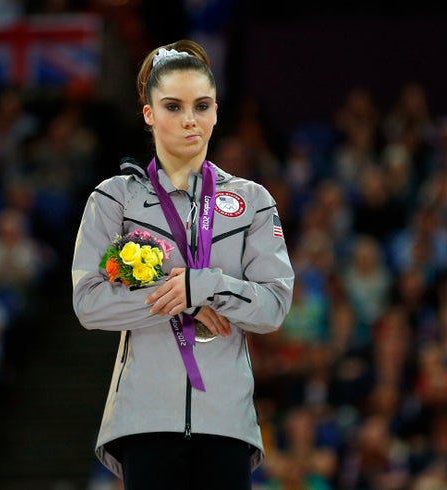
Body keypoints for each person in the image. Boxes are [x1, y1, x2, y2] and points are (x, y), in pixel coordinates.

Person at [71, 39, 294, 489]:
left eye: (202, 105)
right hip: (144, 420)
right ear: (149, 113)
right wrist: (181, 301)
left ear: (216, 111)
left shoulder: (252, 201)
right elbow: (89, 303)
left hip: (226, 420)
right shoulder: (114, 198)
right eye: (173, 106)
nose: (190, 120)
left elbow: (274, 306)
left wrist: (205, 286)